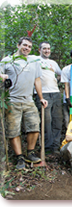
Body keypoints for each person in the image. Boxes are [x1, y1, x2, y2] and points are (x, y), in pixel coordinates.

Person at [0, 37, 48, 170]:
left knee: (34, 126)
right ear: (18, 45)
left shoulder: (33, 61)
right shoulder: (8, 60)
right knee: (13, 130)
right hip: (12, 101)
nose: (27, 48)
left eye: (29, 46)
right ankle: (19, 156)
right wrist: (2, 76)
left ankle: (30, 152)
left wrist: (41, 97)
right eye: (24, 45)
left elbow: (37, 80)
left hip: (28, 100)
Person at [34, 41, 63, 154]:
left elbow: (61, 74)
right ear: (39, 50)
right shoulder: (34, 60)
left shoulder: (53, 63)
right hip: (42, 94)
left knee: (57, 120)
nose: (47, 51)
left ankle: (55, 147)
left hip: (55, 93)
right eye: (44, 48)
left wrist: (58, 80)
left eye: (48, 49)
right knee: (46, 121)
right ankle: (47, 147)